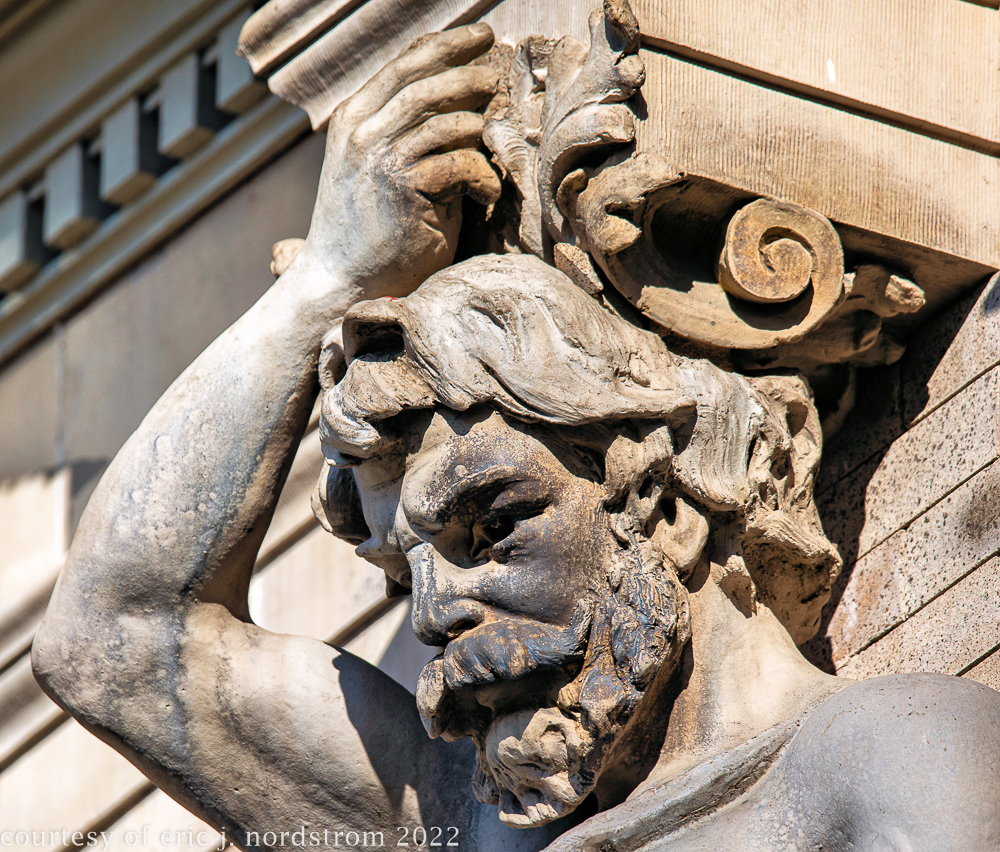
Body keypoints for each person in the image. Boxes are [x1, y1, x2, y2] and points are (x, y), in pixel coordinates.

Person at [32, 22, 1000, 852]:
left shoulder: (880, 761)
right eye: (408, 575)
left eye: (491, 529)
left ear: (659, 499)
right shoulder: (461, 826)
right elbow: (112, 643)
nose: (433, 614)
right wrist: (329, 280)